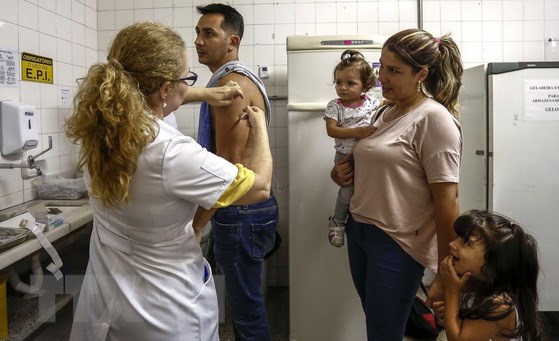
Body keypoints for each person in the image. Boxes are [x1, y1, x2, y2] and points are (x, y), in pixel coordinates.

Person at [65, 22, 273, 340]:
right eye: (186, 80)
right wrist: (260, 129)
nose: (187, 87)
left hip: (108, 296)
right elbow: (259, 186)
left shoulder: (99, 129)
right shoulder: (169, 150)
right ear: (164, 88)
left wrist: (206, 93)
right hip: (163, 310)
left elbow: (159, 95)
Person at [330, 28, 463, 340]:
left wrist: (445, 272)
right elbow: (370, 166)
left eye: (394, 71)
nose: (381, 78)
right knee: (379, 324)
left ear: (421, 74)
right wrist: (338, 175)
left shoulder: (434, 119)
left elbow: (448, 203)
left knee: (384, 332)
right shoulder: (384, 110)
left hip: (398, 243)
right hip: (360, 229)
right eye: (381, 67)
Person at [193, 4, 279, 340]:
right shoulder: (224, 81)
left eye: (208, 33)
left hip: (242, 211)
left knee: (245, 310)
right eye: (198, 33)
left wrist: (198, 223)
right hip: (247, 209)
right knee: (245, 304)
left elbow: (228, 168)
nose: (199, 41)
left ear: (232, 41)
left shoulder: (231, 83)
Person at [432, 210, 542, 341]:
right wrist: (448, 314)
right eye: (457, 237)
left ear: (491, 266)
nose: (452, 244)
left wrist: (451, 290)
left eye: (466, 242)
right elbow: (465, 326)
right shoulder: (471, 283)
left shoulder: (499, 304)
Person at [324, 49, 379, 247]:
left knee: (366, 191)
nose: (343, 88)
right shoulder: (335, 106)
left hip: (367, 158)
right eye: (339, 82)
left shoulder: (372, 103)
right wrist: (358, 132)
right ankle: (337, 223)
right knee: (346, 193)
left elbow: (388, 107)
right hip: (344, 157)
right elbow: (332, 130)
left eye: (350, 83)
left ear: (365, 85)